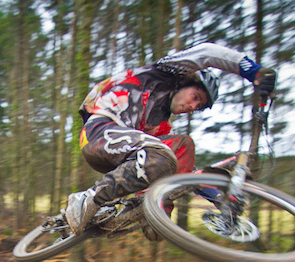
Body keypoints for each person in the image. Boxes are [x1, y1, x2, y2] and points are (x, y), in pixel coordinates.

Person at [64, 42, 277, 235]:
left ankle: (156, 211)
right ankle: (88, 198)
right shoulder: (163, 74)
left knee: (180, 148)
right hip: (98, 132)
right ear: (184, 83)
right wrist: (252, 71)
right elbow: (207, 53)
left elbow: (183, 173)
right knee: (162, 155)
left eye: (199, 106)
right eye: (195, 97)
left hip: (123, 154)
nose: (193, 106)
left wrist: (217, 198)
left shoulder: (159, 125)